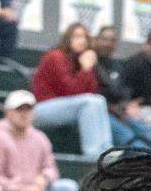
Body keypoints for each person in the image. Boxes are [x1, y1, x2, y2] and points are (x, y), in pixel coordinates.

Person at [30, 23, 113, 160]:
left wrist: (87, 69)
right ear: (68, 38)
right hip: (41, 109)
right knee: (90, 102)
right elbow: (70, 90)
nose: (82, 41)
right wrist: (85, 69)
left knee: (99, 100)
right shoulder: (56, 56)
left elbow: (91, 90)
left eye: (85, 37)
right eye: (77, 36)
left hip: (65, 107)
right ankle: (93, 153)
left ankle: (105, 149)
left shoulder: (79, 59)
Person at [91, 25, 151, 152]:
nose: (107, 43)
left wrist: (125, 104)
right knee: (132, 140)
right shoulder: (89, 63)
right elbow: (91, 93)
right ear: (95, 40)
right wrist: (114, 108)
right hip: (102, 113)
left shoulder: (117, 66)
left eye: (112, 40)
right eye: (104, 39)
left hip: (120, 111)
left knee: (145, 131)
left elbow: (123, 90)